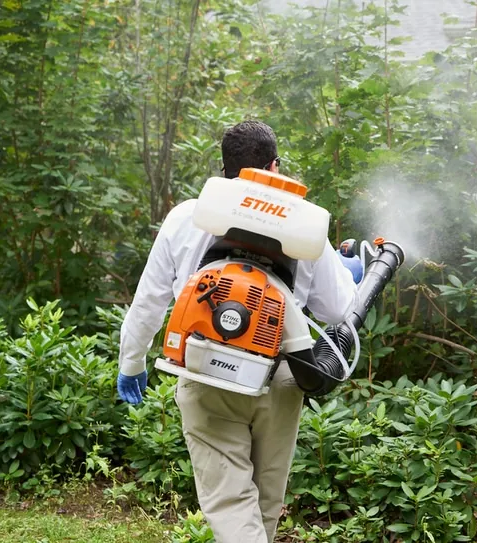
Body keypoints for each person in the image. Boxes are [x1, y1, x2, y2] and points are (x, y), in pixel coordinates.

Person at [116, 120, 362, 543]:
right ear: (275, 164)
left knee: (231, 504)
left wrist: (132, 361)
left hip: (205, 368)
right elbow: (340, 309)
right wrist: (347, 270)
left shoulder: (186, 216)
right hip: (281, 372)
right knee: (265, 501)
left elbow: (149, 301)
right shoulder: (303, 223)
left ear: (223, 168)